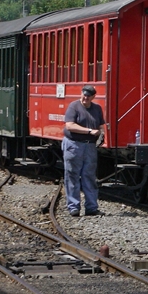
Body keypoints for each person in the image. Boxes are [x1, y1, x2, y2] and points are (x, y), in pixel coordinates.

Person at [62, 86, 105, 216]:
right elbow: (69, 125)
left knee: (89, 176)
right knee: (72, 175)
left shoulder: (97, 108)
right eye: (84, 95)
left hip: (90, 146)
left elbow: (101, 125)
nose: (85, 98)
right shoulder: (74, 106)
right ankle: (73, 207)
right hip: (74, 145)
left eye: (88, 96)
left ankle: (92, 207)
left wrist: (101, 134)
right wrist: (89, 131)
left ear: (93, 97)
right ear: (81, 94)